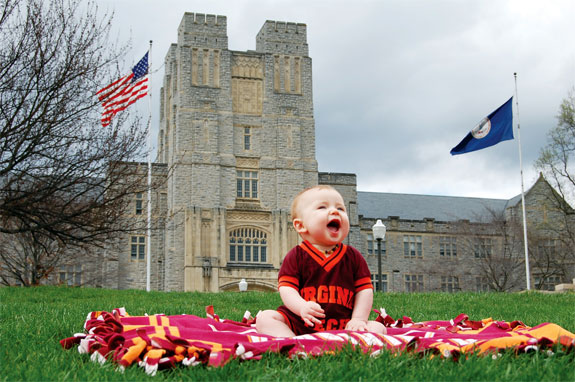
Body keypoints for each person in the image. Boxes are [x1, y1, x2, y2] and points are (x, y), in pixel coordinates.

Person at [256, 185, 386, 337]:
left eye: (341, 208)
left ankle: (351, 342)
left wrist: (358, 319)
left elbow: (364, 290)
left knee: (377, 327)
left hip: (344, 324)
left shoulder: (353, 256)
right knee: (265, 318)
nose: (334, 211)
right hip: (301, 323)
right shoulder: (296, 255)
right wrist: (302, 307)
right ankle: (293, 342)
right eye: (322, 207)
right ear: (301, 225)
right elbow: (287, 289)